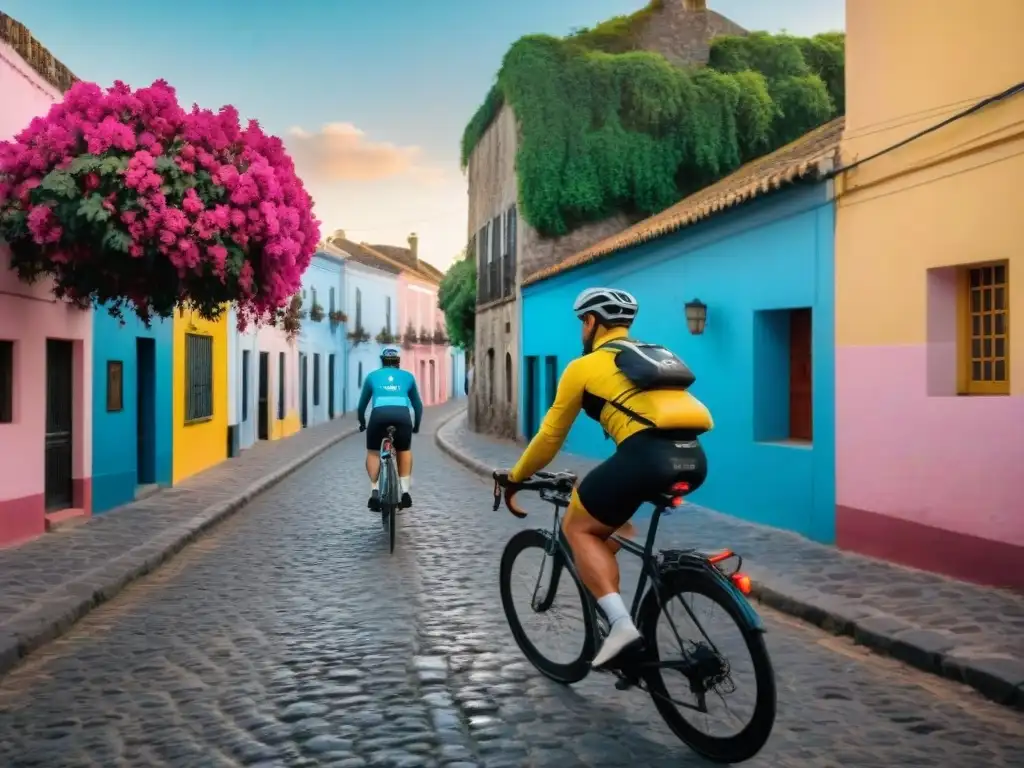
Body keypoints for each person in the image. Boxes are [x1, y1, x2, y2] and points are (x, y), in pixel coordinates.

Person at [504, 287, 713, 669]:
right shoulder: (651, 356)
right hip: (694, 458)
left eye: (581, 324)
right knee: (613, 523)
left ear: (591, 322)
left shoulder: (583, 368)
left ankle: (620, 625)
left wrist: (516, 477)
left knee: (578, 529)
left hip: (645, 459)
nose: (581, 332)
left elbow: (550, 437)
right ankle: (617, 609)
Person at [357, 347, 423, 511]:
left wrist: (362, 422)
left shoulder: (372, 377)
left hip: (378, 416)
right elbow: (418, 406)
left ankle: (374, 491)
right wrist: (416, 426)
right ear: (398, 363)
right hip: (402, 416)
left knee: (373, 452)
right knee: (403, 450)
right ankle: (405, 492)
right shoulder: (408, 377)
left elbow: (361, 406)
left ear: (383, 362)